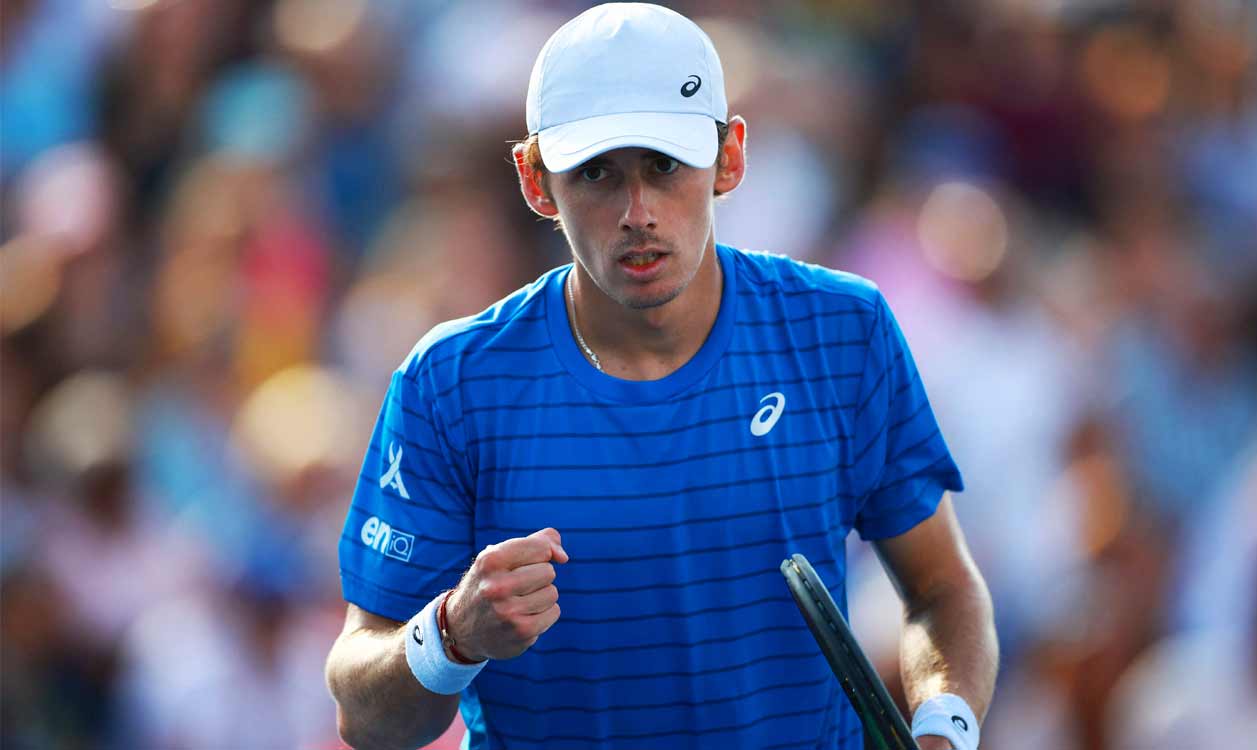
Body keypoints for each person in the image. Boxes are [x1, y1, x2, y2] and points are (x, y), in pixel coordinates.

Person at [325, 4, 997, 749]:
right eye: (598, 174)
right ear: (536, 180)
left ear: (731, 158)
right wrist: (450, 635)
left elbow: (943, 589)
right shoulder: (446, 384)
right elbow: (365, 716)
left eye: (664, 165)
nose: (637, 212)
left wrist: (944, 728)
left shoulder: (843, 330)